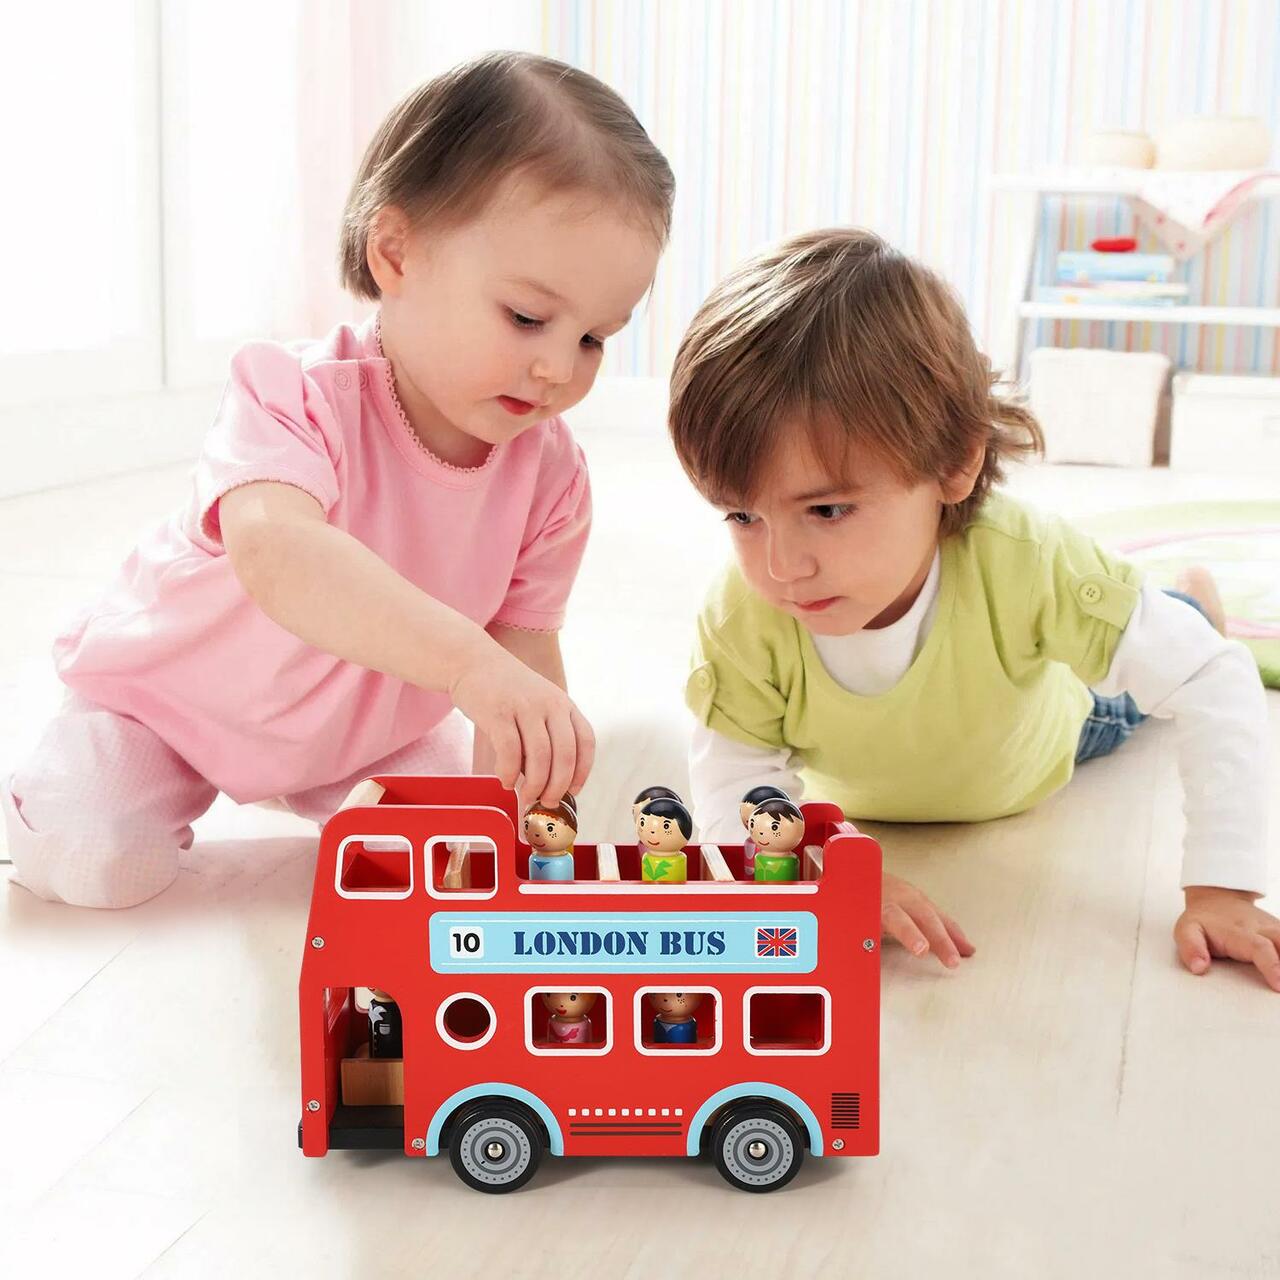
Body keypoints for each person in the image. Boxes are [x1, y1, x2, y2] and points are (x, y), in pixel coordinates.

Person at [3, 52, 673, 909]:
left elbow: (524, 655)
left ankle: (359, 806)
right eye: (528, 317)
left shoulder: (550, 475)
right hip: (169, 708)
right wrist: (468, 666)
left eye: (593, 338)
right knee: (88, 858)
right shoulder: (291, 394)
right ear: (395, 253)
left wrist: (534, 784)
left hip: (364, 742)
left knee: (452, 866)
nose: (556, 367)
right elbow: (279, 553)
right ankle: (56, 781)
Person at [671, 227, 1277, 991]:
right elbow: (732, 786)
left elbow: (1214, 682)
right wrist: (821, 884)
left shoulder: (1025, 560)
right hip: (871, 781)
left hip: (1047, 740)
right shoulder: (739, 616)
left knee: (1138, 680)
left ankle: (1190, 599)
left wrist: (1222, 886)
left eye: (825, 510)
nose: (780, 567)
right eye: (741, 517)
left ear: (955, 461)